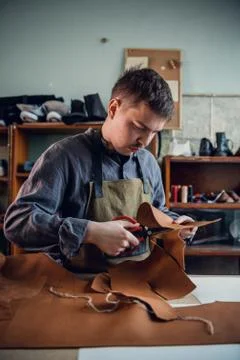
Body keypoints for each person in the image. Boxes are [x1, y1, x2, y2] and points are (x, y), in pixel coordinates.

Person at [4, 68, 196, 272]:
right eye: (139, 126)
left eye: (154, 132)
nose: (145, 141)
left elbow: (157, 212)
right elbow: (17, 223)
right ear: (113, 108)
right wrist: (90, 231)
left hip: (139, 282)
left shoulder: (148, 162)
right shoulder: (64, 156)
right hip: (79, 286)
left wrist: (176, 225)